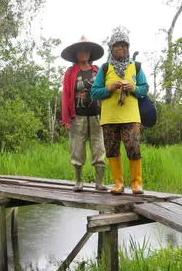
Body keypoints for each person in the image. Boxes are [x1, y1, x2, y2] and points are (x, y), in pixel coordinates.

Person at [91, 26, 148, 194]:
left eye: (124, 45)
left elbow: (144, 89)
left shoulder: (136, 67)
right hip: (109, 118)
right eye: (117, 45)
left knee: (134, 148)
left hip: (131, 117)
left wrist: (134, 88)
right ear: (112, 47)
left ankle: (137, 184)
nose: (121, 48)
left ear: (128, 47)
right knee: (111, 150)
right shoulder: (104, 68)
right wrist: (109, 88)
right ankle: (118, 184)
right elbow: (94, 92)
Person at [61, 36, 107, 191]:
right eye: (80, 51)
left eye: (86, 50)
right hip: (78, 116)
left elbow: (104, 91)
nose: (83, 53)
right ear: (76, 54)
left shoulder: (97, 71)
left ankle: (99, 182)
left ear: (90, 53)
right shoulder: (71, 72)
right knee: (77, 148)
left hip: (96, 116)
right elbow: (66, 95)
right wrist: (66, 118)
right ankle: (79, 181)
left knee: (99, 147)